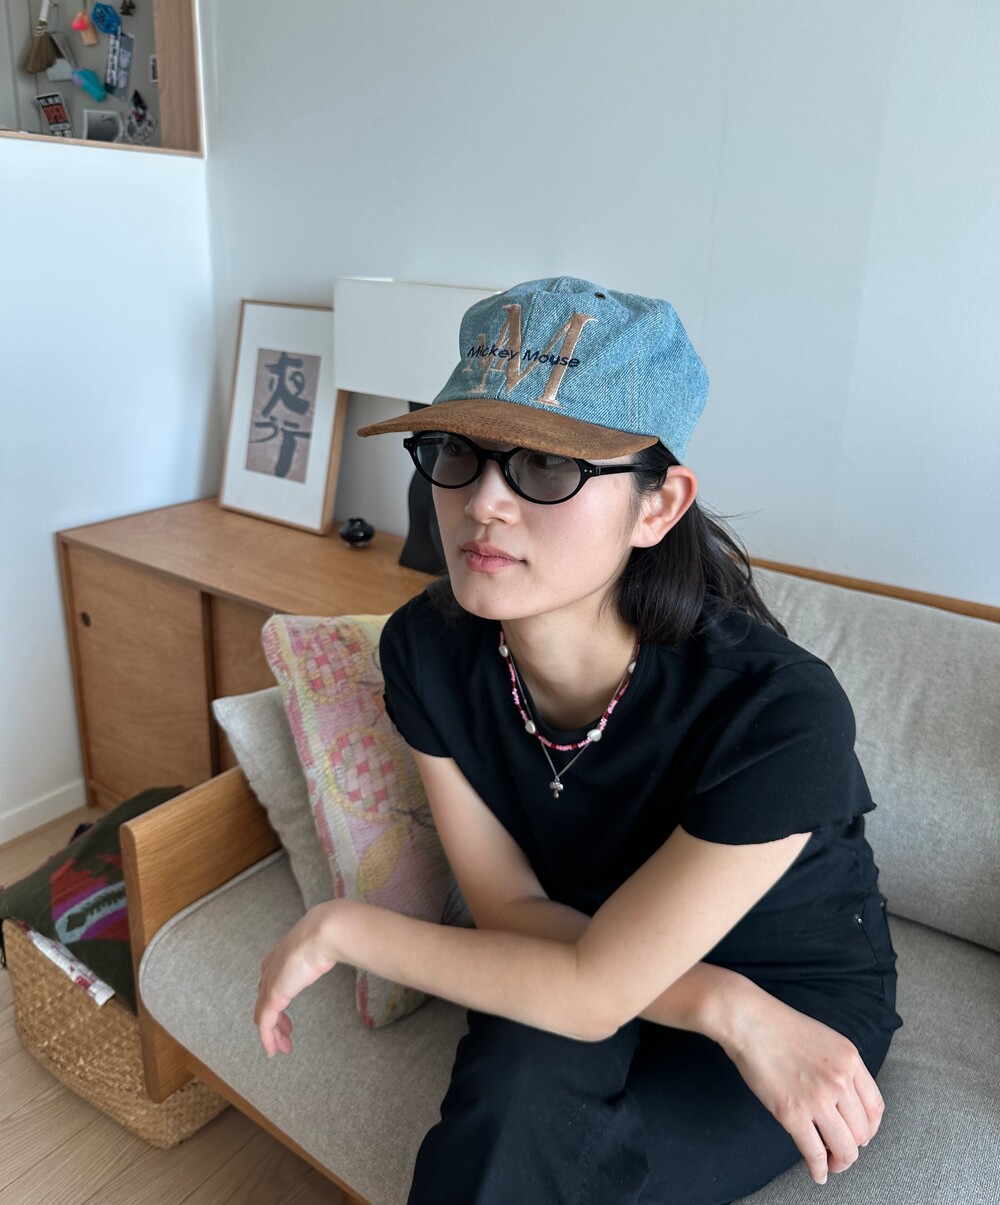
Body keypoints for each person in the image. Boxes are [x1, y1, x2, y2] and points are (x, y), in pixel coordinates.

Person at [255, 277, 902, 1204]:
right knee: (507, 1115)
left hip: (786, 990)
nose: (483, 503)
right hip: (588, 946)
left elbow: (593, 990)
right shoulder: (427, 650)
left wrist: (343, 928)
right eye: (458, 452)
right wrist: (722, 1006)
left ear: (658, 505)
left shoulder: (778, 709)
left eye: (548, 467)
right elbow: (513, 907)